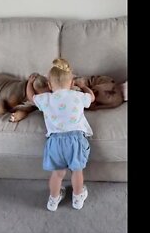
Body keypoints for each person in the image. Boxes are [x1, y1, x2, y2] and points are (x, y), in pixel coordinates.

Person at [26, 58, 95, 211]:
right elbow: (92, 98)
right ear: (72, 84)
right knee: (77, 172)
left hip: (55, 142)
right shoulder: (78, 96)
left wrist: (29, 83)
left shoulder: (46, 99)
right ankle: (78, 198)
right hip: (76, 140)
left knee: (57, 174)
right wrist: (84, 87)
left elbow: (30, 98)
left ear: (49, 85)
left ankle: (53, 200)